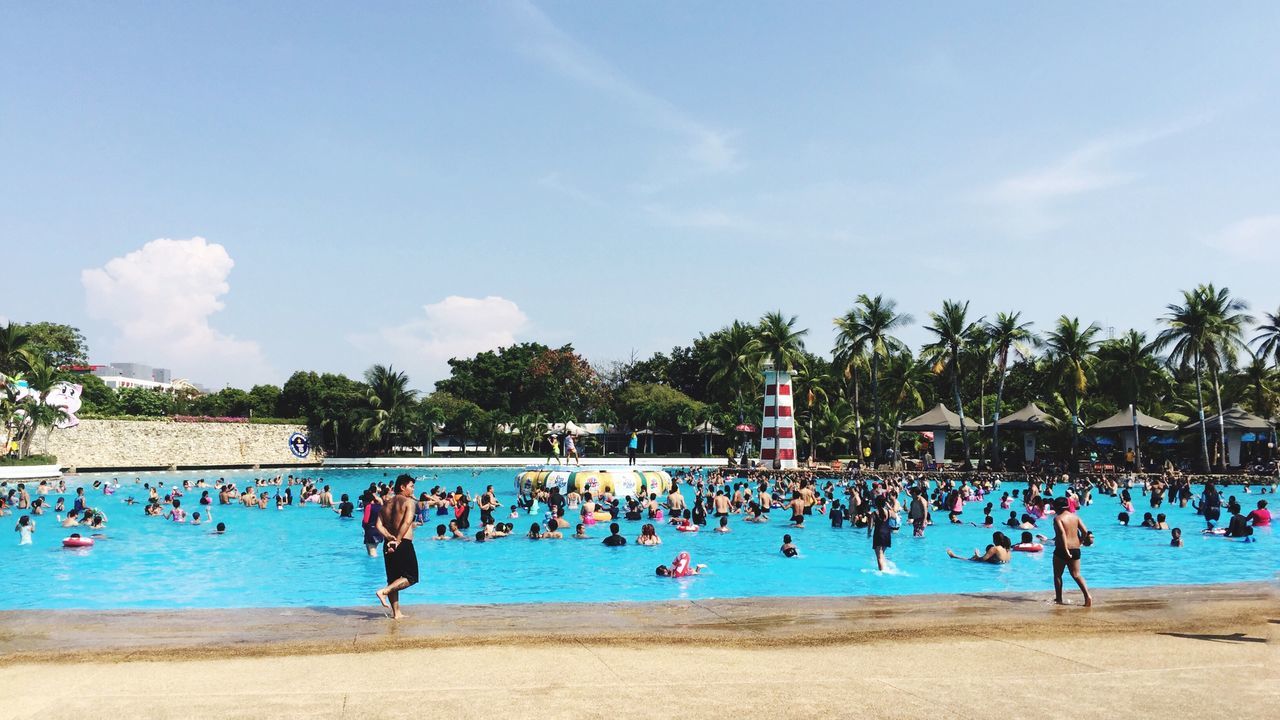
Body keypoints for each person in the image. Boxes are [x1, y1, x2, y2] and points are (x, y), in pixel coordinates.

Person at [374, 475, 419, 620]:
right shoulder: (409, 502)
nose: (413, 489)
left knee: (393, 578)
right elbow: (406, 523)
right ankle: (384, 592)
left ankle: (396, 613)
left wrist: (389, 537)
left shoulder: (386, 503)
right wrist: (397, 540)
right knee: (411, 577)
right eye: (411, 486)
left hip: (388, 543)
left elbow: (378, 525)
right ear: (402, 487)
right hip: (403, 543)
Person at [1051, 496, 1092, 607]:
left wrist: (1065, 549)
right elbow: (1085, 531)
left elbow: (1062, 534)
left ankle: (1059, 599)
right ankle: (1087, 596)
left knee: (1058, 575)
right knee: (1077, 575)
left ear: (1057, 507)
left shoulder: (1058, 519)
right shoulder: (1075, 517)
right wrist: (1080, 542)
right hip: (1076, 548)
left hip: (1062, 549)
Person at [947, 532, 1011, 563]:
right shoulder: (1007, 550)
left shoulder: (995, 548)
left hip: (996, 570)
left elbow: (982, 560)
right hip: (1004, 568)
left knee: (971, 559)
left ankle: (954, 556)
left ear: (995, 540)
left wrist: (977, 555)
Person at [870, 495, 892, 571]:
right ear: (884, 503)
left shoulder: (874, 513)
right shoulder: (889, 512)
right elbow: (895, 517)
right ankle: (886, 568)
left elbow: (870, 527)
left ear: (876, 503)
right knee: (882, 553)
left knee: (879, 556)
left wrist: (869, 534)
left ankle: (882, 572)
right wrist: (889, 507)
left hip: (878, 534)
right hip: (887, 534)